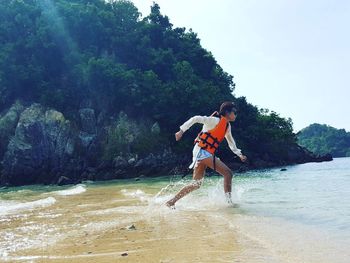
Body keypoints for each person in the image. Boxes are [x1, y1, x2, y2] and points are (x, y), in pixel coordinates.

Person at [165, 101, 247, 208]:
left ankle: (171, 201)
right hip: (201, 151)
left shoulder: (227, 126)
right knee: (228, 174)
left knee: (196, 184)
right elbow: (195, 118)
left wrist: (239, 154)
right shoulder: (214, 121)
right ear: (227, 112)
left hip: (204, 152)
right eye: (234, 112)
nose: (236, 114)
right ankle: (229, 203)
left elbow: (231, 142)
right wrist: (181, 131)